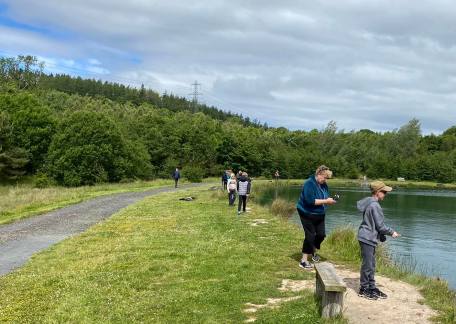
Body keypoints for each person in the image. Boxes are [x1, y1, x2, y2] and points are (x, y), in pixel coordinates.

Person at [357, 181, 400, 300]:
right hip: (367, 238)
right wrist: (392, 232)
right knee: (368, 265)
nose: (385, 194)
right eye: (384, 192)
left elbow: (375, 224)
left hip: (368, 237)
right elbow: (380, 226)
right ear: (377, 192)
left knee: (371, 264)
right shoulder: (374, 205)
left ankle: (371, 287)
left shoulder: (371, 202)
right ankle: (363, 289)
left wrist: (381, 235)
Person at [296, 165, 337, 269]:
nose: (325, 180)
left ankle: (312, 250)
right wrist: (326, 201)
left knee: (321, 235)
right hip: (306, 212)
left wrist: (330, 199)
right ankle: (303, 260)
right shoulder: (309, 184)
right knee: (310, 236)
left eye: (327, 178)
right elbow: (310, 201)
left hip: (319, 213)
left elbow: (324, 196)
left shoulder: (323, 184)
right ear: (319, 174)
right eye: (324, 177)